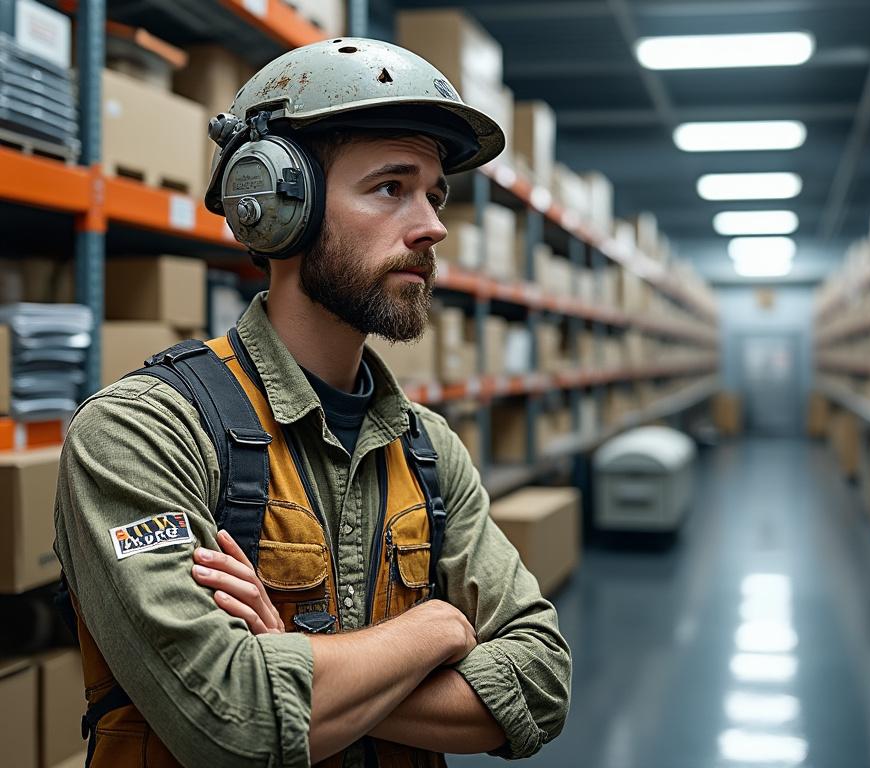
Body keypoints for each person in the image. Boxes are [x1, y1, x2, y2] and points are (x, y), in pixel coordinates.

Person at [53, 38, 571, 768]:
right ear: (275, 204)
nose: (432, 227)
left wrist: (304, 667)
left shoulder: (425, 448)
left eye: (434, 193)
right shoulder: (142, 434)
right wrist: (437, 630)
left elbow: (541, 683)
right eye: (392, 187)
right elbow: (230, 725)